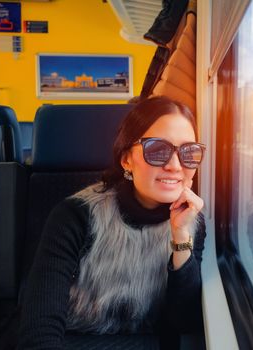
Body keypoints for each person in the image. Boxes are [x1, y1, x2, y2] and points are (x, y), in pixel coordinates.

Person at [15, 96, 206, 349]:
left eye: (188, 152)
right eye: (157, 150)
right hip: (71, 339)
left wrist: (180, 236)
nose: (175, 166)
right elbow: (39, 330)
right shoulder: (75, 216)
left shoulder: (191, 221)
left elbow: (184, 322)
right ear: (126, 159)